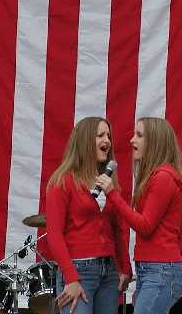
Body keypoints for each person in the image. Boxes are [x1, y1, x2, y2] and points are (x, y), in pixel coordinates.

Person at [95, 117, 182, 314]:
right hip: (153, 269)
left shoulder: (163, 178)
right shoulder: (158, 176)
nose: (132, 140)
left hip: (160, 270)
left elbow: (146, 225)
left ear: (155, 142)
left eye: (139, 135)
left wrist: (112, 194)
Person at [46, 117, 132, 314]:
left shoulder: (109, 182)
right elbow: (54, 234)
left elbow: (119, 229)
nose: (107, 141)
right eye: (100, 135)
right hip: (78, 270)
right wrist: (71, 278)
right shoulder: (63, 181)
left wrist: (125, 268)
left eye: (109, 136)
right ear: (85, 140)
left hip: (108, 270)